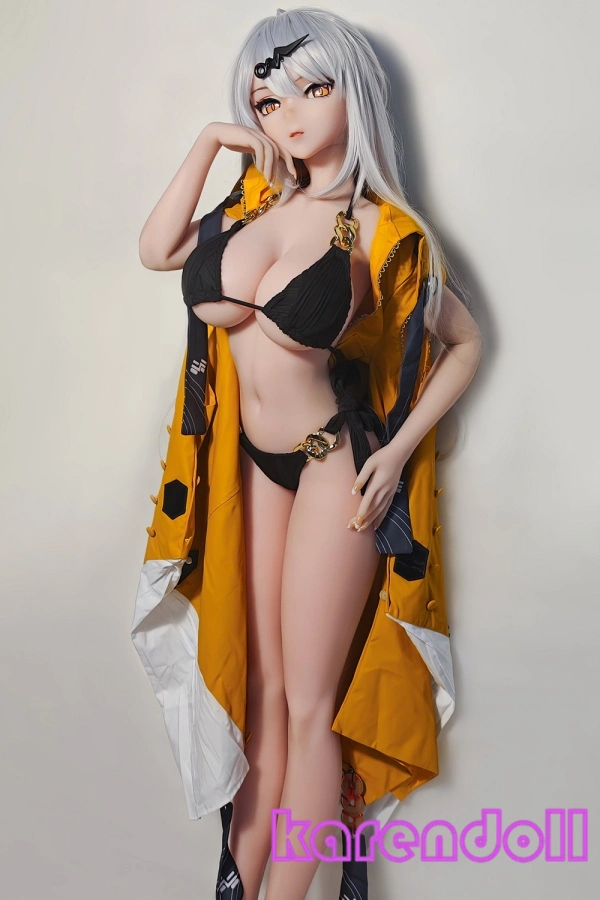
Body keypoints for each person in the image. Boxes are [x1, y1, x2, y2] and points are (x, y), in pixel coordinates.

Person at [131, 7, 482, 900]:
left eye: (312, 89)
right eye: (266, 100)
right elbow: (158, 250)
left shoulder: (383, 230)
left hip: (333, 466)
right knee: (262, 703)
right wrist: (212, 141)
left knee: (309, 707)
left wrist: (398, 453)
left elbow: (466, 342)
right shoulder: (251, 205)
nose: (286, 115)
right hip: (250, 466)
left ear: (353, 94)